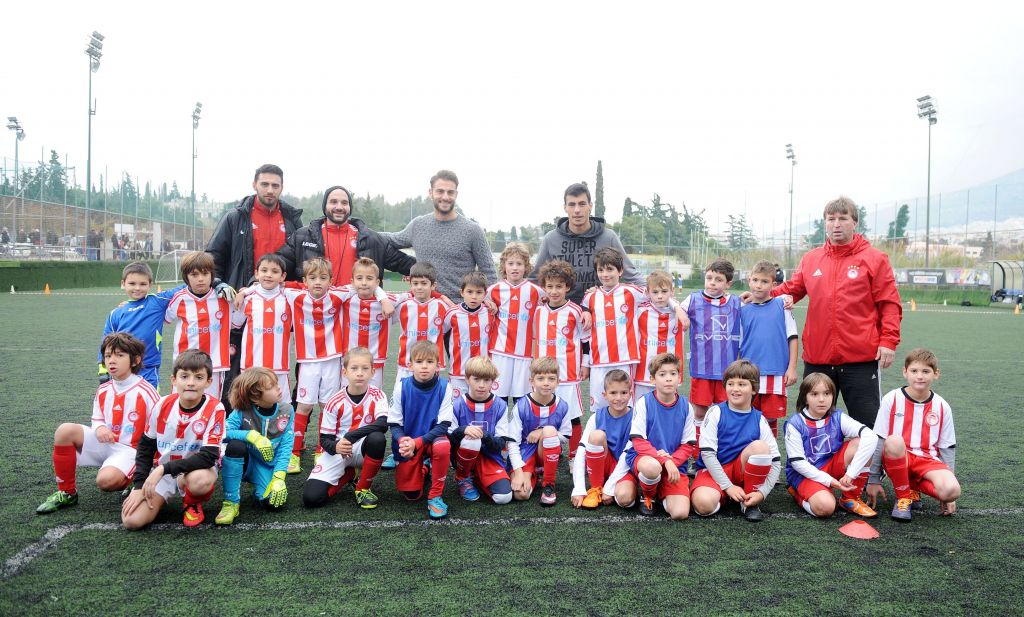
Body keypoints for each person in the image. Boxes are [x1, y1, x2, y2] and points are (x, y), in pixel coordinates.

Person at [769, 196, 902, 427]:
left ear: (855, 222)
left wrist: (888, 341)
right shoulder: (812, 259)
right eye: (831, 219)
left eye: (843, 218)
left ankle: (864, 454)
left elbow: (889, 303)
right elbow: (792, 289)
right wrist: (761, 296)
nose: (836, 224)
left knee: (867, 425)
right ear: (825, 223)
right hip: (818, 357)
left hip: (860, 359)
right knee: (813, 424)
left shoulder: (875, 259)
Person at [206, 164, 304, 400]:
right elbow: (213, 256)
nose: (270, 190)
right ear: (254, 185)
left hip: (279, 304)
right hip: (243, 302)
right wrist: (219, 284)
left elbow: (301, 261)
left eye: (275, 185)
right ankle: (233, 417)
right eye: (265, 184)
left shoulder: (292, 220)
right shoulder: (236, 217)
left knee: (282, 364)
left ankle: (281, 415)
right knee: (237, 368)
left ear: (282, 188)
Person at [36, 333, 160, 514]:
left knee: (105, 482)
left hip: (131, 450)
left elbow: (159, 428)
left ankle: (139, 476)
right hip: (105, 444)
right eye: (108, 356)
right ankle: (67, 493)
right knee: (64, 431)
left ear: (135, 360)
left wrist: (152, 459)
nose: (112, 360)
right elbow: (97, 418)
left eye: (119, 355)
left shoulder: (146, 392)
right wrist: (100, 428)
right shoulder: (103, 389)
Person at [121, 349, 225, 529]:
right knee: (132, 521)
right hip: (163, 471)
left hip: (193, 471)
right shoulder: (162, 404)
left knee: (201, 481)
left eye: (198, 377)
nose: (191, 383)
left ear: (209, 382)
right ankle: (158, 498)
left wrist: (163, 469)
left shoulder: (215, 408)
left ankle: (191, 502)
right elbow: (146, 446)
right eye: (184, 376)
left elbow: (209, 456)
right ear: (174, 380)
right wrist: (139, 485)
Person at [582, 247, 687, 411]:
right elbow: (584, 321)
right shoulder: (590, 297)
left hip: (626, 359)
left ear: (620, 271)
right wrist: (585, 310)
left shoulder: (632, 292)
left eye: (610, 269)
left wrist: (677, 307)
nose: (605, 274)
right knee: (600, 406)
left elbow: (658, 294)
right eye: (600, 270)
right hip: (598, 360)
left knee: (626, 405)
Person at [866, 349, 960, 522]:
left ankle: (912, 487)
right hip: (897, 456)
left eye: (926, 371)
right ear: (905, 372)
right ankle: (904, 497)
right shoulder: (892, 399)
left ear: (936, 374)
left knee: (952, 491)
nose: (920, 376)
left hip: (927, 460)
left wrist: (948, 494)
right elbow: (879, 440)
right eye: (914, 371)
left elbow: (947, 447)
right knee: (894, 440)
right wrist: (873, 479)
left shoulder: (942, 406)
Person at [383, 170, 497, 302]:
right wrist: (363, 231)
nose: (445, 197)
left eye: (450, 192)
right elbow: (392, 239)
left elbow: (489, 272)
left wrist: (488, 302)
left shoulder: (473, 230)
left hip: (460, 309)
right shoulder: (418, 225)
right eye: (440, 191)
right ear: (430, 193)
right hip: (425, 308)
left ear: (456, 194)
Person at [690, 360, 781, 522]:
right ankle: (725, 495)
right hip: (713, 471)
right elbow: (708, 455)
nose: (735, 389)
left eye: (742, 384)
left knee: (760, 447)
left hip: (741, 472)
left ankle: (749, 501)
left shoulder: (759, 419)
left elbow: (775, 462)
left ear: (754, 389)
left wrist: (762, 493)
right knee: (703, 505)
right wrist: (728, 487)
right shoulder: (715, 412)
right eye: (730, 384)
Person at [304, 348, 390, 510]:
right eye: (354, 368)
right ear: (345, 372)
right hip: (339, 450)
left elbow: (383, 424)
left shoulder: (378, 395)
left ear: (372, 372)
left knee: (377, 438)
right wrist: (336, 447)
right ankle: (350, 474)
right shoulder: (334, 401)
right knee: (311, 499)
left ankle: (363, 489)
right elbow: (325, 439)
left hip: (364, 448)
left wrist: (350, 436)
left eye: (365, 368)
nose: (360, 373)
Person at [278, 184, 415, 285]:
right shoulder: (302, 236)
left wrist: (423, 271)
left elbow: (407, 264)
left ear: (350, 207)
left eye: (344, 203)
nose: (339, 207)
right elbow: (277, 264)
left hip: (357, 311)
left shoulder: (372, 239)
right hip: (317, 311)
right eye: (333, 202)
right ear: (325, 206)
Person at [530, 182, 643, 305]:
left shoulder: (608, 237)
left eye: (582, 204)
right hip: (563, 309)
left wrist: (654, 290)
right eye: (572, 204)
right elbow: (535, 278)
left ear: (590, 206)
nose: (577, 210)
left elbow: (629, 273)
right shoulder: (551, 239)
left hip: (599, 307)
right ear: (565, 207)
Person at [784, 373, 878, 518]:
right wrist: (830, 481)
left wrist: (851, 474)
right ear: (805, 398)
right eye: (814, 394)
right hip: (804, 474)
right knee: (826, 508)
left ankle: (850, 499)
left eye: (827, 393)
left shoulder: (837, 417)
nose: (822, 399)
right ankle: (797, 494)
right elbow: (798, 464)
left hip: (830, 465)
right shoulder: (795, 424)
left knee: (861, 443)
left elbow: (871, 437)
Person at [214, 367, 294, 525]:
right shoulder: (242, 411)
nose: (278, 388)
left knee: (273, 504)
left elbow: (286, 447)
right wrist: (251, 436)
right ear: (255, 397)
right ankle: (231, 502)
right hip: (247, 461)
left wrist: (279, 477)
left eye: (276, 383)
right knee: (235, 446)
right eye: (271, 386)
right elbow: (223, 432)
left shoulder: (287, 410)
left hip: (267, 466)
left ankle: (259, 488)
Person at [388, 340, 456, 519]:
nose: (424, 366)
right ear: (410, 365)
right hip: (408, 443)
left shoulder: (445, 387)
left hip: (432, 440)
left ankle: (435, 496)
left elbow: (443, 426)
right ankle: (424, 467)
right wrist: (403, 441)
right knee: (411, 495)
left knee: (443, 446)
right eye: (419, 362)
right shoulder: (401, 386)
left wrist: (417, 443)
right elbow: (394, 424)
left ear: (438, 366)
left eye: (430, 362)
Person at [532, 260, 590, 466]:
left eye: (559, 286)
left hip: (568, 373)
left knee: (572, 416)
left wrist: (585, 364)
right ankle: (541, 455)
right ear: (544, 287)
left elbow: (586, 340)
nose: (554, 291)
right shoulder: (538, 311)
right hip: (543, 376)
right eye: (550, 286)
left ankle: (574, 457)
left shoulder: (575, 311)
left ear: (567, 287)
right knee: (542, 415)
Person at [624, 354, 696, 519]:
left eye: (673, 373)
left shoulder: (686, 406)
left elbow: (688, 445)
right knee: (652, 468)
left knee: (680, 513)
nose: (668, 378)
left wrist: (672, 462)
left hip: (674, 464)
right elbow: (638, 442)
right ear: (652, 379)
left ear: (679, 378)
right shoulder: (644, 402)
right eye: (662, 374)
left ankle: (660, 488)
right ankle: (648, 495)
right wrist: (665, 461)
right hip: (646, 459)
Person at [99, 262, 186, 389]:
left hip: (149, 367)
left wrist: (213, 280)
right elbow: (105, 342)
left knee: (149, 400)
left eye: (143, 284)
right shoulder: (116, 314)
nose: (137, 288)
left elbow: (185, 286)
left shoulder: (157, 302)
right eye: (132, 283)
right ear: (123, 284)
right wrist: (102, 370)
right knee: (123, 399)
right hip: (123, 368)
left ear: (150, 285)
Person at [498, 357, 572, 506]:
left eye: (551, 379)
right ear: (532, 381)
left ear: (558, 382)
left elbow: (565, 436)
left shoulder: (562, 406)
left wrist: (542, 432)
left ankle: (548, 484)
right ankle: (534, 472)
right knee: (521, 494)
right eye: (540, 378)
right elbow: (512, 443)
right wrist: (518, 472)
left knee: (549, 431)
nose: (546, 383)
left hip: (545, 451)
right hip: (524, 452)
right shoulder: (522, 405)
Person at [739, 260, 799, 436]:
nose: (759, 285)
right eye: (755, 280)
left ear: (774, 285)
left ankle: (770, 452)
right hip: (750, 373)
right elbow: (738, 343)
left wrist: (792, 368)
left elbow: (793, 338)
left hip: (776, 373)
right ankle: (750, 451)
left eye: (764, 281)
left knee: (770, 419)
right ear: (749, 280)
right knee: (748, 416)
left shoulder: (782, 306)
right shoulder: (742, 309)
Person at [164, 252, 233, 398]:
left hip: (214, 365)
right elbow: (165, 317)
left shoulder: (224, 298)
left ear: (212, 275)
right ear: (186, 277)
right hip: (184, 364)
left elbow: (239, 320)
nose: (200, 279)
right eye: (194, 275)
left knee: (210, 404)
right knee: (179, 404)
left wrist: (243, 293)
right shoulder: (179, 299)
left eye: (205, 274)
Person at [682, 259, 742, 427]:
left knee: (725, 411)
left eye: (718, 279)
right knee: (700, 411)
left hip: (727, 371)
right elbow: (676, 308)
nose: (712, 283)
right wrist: (681, 314)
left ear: (728, 283)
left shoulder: (736, 302)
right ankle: (698, 442)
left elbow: (757, 304)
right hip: (702, 368)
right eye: (709, 278)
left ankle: (722, 441)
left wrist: (784, 299)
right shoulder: (692, 299)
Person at [230, 254, 293, 411]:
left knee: (283, 406)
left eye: (274, 271)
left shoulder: (289, 298)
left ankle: (283, 429)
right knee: (248, 404)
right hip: (252, 365)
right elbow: (235, 323)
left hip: (279, 366)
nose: (269, 275)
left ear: (283, 276)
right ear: (256, 274)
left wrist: (245, 291)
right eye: (264, 270)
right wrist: (243, 293)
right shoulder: (248, 299)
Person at [448, 356, 513, 505]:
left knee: (503, 498)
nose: (481, 385)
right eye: (476, 379)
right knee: (472, 440)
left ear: (493, 381)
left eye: (486, 380)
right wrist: (464, 430)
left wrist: (484, 435)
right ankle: (463, 477)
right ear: (467, 379)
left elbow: (500, 443)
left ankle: (477, 477)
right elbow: (449, 440)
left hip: (489, 457)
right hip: (463, 455)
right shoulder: (457, 404)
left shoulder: (500, 405)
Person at [487, 242, 546, 404]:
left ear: (526, 266)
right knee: (498, 398)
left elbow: (553, 304)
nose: (514, 268)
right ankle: (499, 422)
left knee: (523, 399)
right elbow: (478, 302)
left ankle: (521, 422)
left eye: (519, 263)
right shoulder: (493, 290)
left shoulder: (536, 291)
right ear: (503, 266)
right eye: (510, 263)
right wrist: (486, 302)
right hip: (500, 352)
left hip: (525, 353)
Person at [570, 369, 637, 510]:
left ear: (631, 394)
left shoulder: (636, 418)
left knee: (625, 499)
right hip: (603, 464)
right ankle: (596, 488)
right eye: (613, 393)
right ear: (604, 395)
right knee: (596, 436)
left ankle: (612, 486)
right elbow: (581, 451)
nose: (619, 398)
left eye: (624, 392)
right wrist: (579, 489)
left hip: (625, 467)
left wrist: (610, 487)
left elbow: (627, 456)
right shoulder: (596, 417)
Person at [634, 271, 687, 401]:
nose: (660, 296)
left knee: (666, 407)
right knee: (641, 407)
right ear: (648, 293)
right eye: (655, 292)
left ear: (672, 291)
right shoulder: (640, 310)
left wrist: (676, 306)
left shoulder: (682, 312)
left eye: (664, 291)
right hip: (644, 373)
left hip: (669, 374)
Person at [394, 262, 449, 383]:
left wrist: (446, 299)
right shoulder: (403, 306)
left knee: (430, 393)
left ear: (433, 285)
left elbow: (451, 323)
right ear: (410, 284)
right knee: (403, 393)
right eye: (415, 283)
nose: (419, 287)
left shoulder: (441, 306)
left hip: (432, 364)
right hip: (406, 363)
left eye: (424, 283)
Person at [443, 272, 493, 400]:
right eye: (469, 292)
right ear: (462, 292)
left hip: (482, 373)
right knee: (457, 406)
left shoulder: (490, 312)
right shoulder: (453, 313)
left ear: (485, 294)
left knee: (481, 406)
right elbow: (440, 332)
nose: (474, 296)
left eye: (479, 292)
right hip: (458, 372)